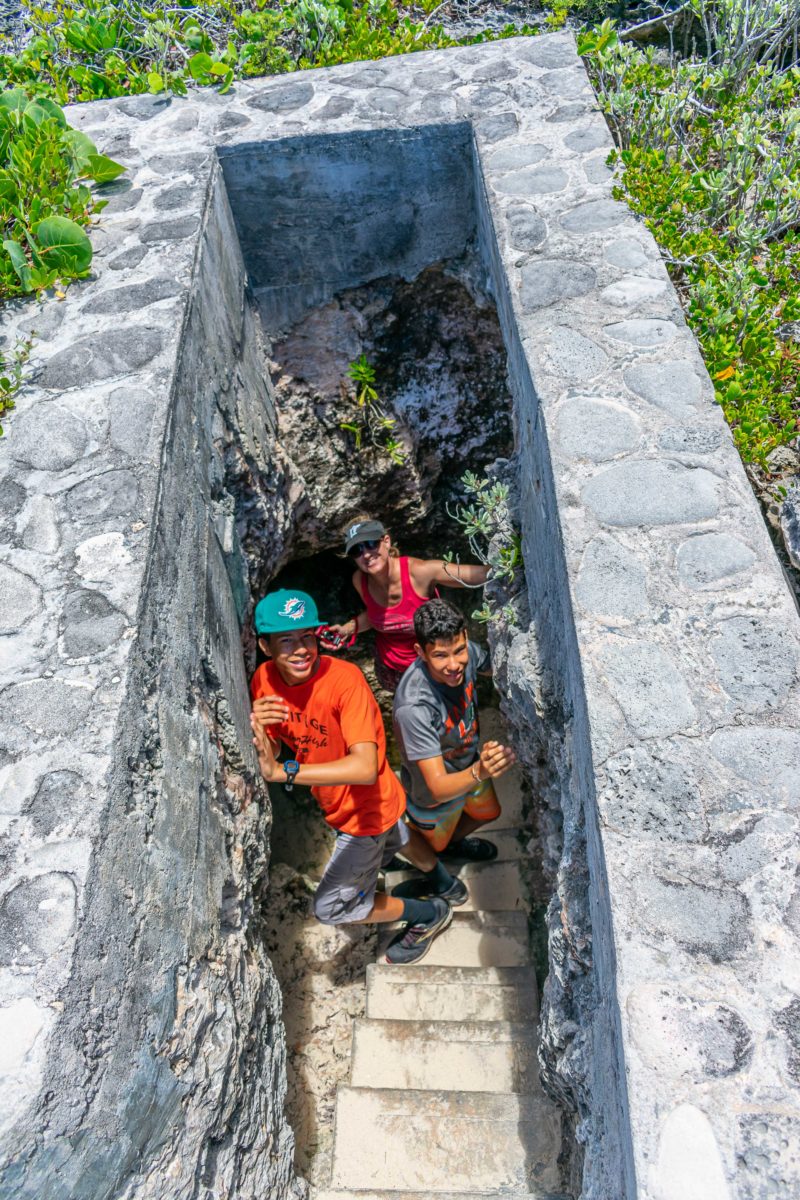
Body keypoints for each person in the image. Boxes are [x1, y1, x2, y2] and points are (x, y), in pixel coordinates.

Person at [249, 588, 468, 966]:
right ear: (266, 648)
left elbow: (364, 768)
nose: (302, 649)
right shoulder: (264, 681)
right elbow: (282, 743)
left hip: (363, 814)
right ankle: (448, 884)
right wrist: (263, 726)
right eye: (287, 640)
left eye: (307, 637)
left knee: (331, 908)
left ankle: (428, 914)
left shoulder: (344, 681)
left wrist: (283, 772)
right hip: (364, 803)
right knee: (398, 834)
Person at [392, 598, 516, 868]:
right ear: (421, 652)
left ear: (465, 638)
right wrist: (481, 771)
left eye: (458, 650)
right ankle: (430, 852)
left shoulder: (467, 653)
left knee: (489, 813)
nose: (454, 665)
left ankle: (452, 845)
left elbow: (491, 667)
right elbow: (437, 787)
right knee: (433, 844)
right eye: (440, 656)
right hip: (431, 795)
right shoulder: (414, 707)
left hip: (468, 765)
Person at [326, 517, 490, 693]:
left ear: (386, 541)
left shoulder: (419, 573)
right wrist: (349, 628)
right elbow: (377, 615)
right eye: (356, 550)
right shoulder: (360, 580)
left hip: (436, 666)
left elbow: (478, 575)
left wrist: (512, 564)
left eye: (371, 543)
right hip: (392, 669)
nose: (365, 554)